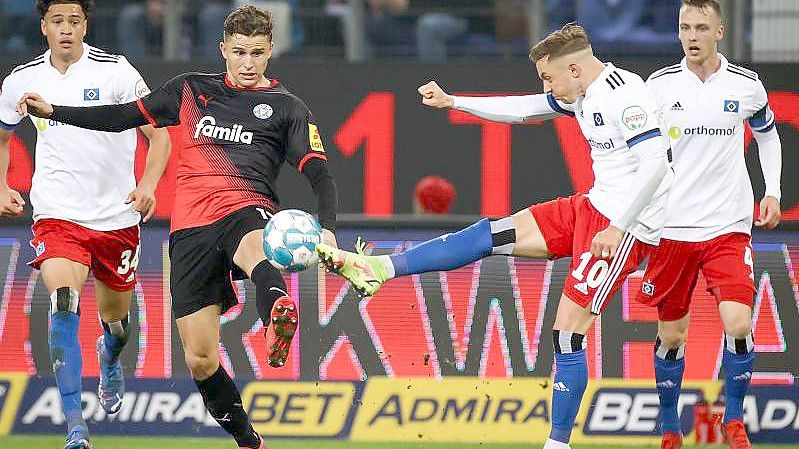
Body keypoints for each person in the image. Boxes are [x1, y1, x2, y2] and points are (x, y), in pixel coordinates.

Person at [316, 23, 672, 449]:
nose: (546, 87)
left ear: (574, 69)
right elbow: (522, 109)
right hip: (590, 208)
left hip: (625, 228)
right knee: (492, 233)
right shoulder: (582, 91)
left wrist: (619, 226)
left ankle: (557, 444)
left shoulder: (625, 95)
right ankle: (381, 267)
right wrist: (454, 102)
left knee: (565, 334)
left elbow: (657, 168)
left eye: (548, 78)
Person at [18, 5, 338, 449]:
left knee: (258, 246)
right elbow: (120, 116)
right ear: (223, 49)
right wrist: (56, 110)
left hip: (246, 209)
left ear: (270, 53)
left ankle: (275, 315)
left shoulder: (287, 108)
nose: (248, 63)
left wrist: (328, 227)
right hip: (189, 233)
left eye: (258, 54)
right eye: (240, 52)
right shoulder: (189, 90)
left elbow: (319, 173)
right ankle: (249, 440)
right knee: (201, 358)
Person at [0, 1, 172, 448]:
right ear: (44, 26)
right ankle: (76, 425)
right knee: (62, 301)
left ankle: (110, 356)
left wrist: (149, 185)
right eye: (57, 21)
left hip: (117, 218)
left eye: (74, 22)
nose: (66, 30)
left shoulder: (116, 71)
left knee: (117, 325)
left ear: (85, 26)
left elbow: (160, 135)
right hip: (58, 215)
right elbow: (2, 135)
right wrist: (1, 185)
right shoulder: (21, 79)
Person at [639, 1, 781, 448]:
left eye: (701, 27)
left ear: (720, 31)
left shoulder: (746, 86)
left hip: (727, 225)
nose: (692, 36)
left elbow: (767, 135)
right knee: (672, 335)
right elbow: (637, 150)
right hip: (672, 229)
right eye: (685, 28)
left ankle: (734, 420)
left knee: (738, 323)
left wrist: (771, 190)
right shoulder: (657, 87)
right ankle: (668, 427)